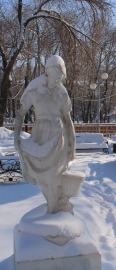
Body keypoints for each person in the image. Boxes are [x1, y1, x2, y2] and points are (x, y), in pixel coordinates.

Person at [14, 55, 76, 214]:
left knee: (55, 177)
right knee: (42, 177)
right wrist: (16, 139)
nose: (59, 81)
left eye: (61, 78)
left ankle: (54, 210)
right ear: (48, 71)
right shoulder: (34, 88)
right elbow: (20, 114)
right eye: (57, 77)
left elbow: (68, 122)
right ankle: (54, 207)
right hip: (40, 136)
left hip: (58, 137)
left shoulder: (62, 92)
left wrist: (73, 146)